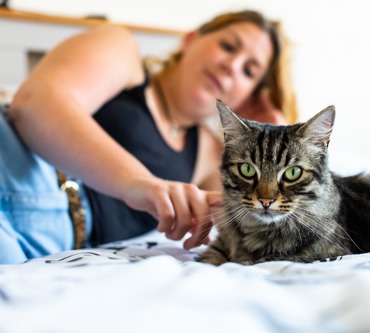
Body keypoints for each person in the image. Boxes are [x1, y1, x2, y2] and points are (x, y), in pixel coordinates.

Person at [0, 10, 298, 264]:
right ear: (191, 39)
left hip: (41, 244)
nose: (232, 66)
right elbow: (34, 104)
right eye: (228, 46)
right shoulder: (122, 51)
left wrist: (271, 137)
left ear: (248, 96)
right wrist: (138, 183)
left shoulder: (210, 155)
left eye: (249, 71)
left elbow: (259, 229)